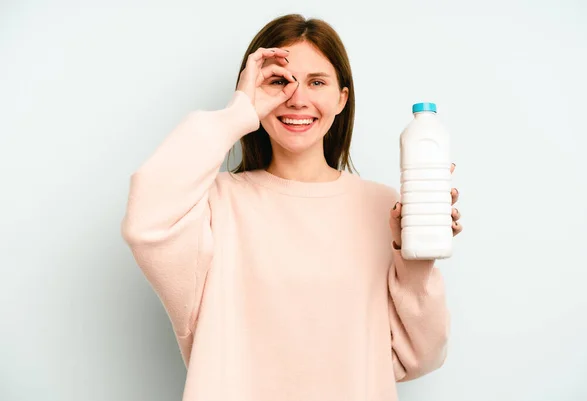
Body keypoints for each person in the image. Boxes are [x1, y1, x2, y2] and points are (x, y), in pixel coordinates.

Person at [121, 13, 463, 401]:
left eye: (317, 82)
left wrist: (416, 260)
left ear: (341, 98)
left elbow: (421, 356)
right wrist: (238, 113)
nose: (298, 98)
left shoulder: (385, 210)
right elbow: (144, 224)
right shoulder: (213, 204)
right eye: (279, 82)